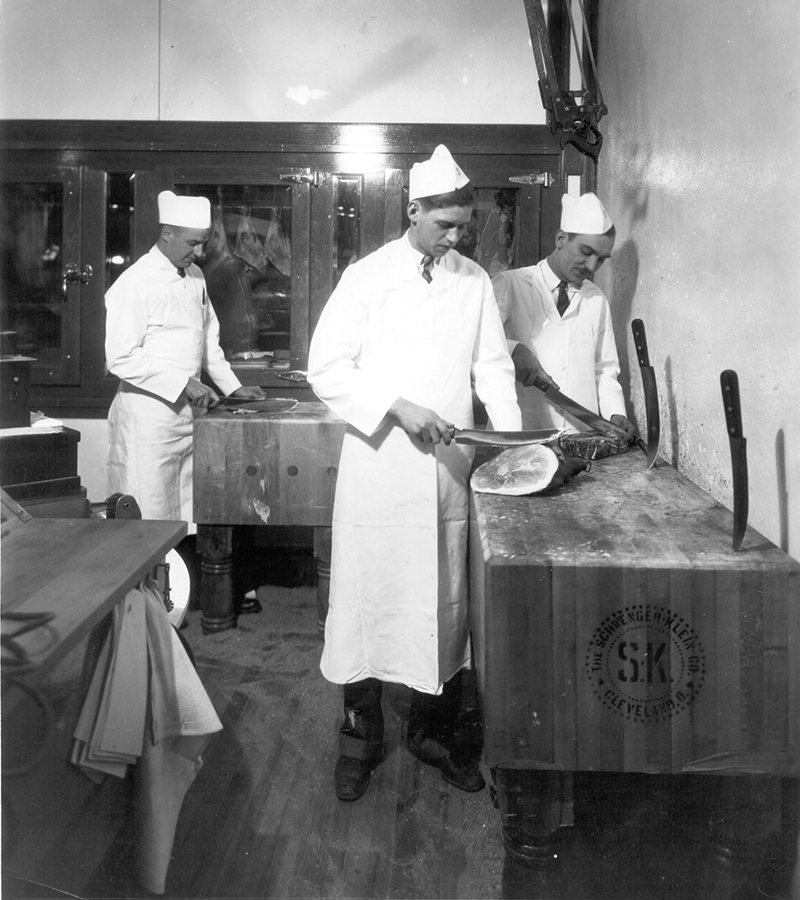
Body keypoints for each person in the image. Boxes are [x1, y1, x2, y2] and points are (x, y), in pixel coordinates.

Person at [307, 145, 522, 802]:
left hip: (445, 476)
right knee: (369, 602)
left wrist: (509, 443)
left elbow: (494, 370)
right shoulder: (367, 278)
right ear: (413, 210)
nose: (455, 238)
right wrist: (397, 408)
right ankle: (359, 739)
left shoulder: (474, 281)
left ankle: (428, 732)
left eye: (463, 225)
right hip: (378, 472)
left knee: (441, 603)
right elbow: (326, 369)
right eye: (443, 225)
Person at [105, 190, 264, 527]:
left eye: (204, 243)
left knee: (186, 516)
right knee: (148, 520)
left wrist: (232, 388)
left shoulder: (195, 277)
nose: (200, 252)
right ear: (167, 234)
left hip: (187, 421)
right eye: (193, 243)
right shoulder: (135, 282)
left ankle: (180, 582)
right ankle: (148, 583)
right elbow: (119, 357)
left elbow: (207, 341)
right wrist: (183, 384)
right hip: (146, 426)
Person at [491, 192, 636, 439]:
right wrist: (514, 348)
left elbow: (605, 369)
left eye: (601, 259)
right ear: (561, 238)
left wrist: (615, 414)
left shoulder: (596, 299)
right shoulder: (510, 284)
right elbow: (478, 347)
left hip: (581, 436)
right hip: (523, 432)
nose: (591, 266)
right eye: (586, 251)